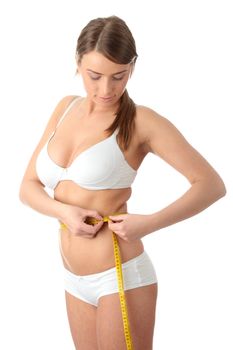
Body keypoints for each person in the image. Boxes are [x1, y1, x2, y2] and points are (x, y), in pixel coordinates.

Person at [19, 15, 226, 350]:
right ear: (78, 63)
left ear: (132, 67)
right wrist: (63, 212)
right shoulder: (64, 108)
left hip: (121, 277)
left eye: (119, 76)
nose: (106, 89)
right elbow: (27, 186)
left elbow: (211, 184)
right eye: (94, 76)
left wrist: (149, 223)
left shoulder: (141, 121)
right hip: (74, 279)